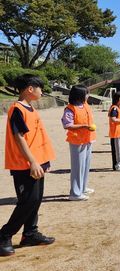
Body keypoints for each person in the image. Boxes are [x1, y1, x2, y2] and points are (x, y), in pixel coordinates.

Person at [0, 74, 56, 257]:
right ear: (30, 89)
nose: (42, 91)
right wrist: (32, 161)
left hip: (37, 162)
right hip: (24, 164)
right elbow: (19, 138)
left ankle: (30, 233)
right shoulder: (17, 109)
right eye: (40, 87)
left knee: (36, 199)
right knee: (28, 201)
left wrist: (43, 161)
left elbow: (36, 138)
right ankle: (4, 235)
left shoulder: (31, 108)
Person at [61, 85, 96, 201]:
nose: (88, 95)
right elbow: (67, 125)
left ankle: (83, 187)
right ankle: (75, 193)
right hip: (77, 141)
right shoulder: (70, 109)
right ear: (80, 95)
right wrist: (84, 126)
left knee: (86, 165)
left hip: (88, 139)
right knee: (78, 167)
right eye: (86, 93)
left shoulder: (85, 105)